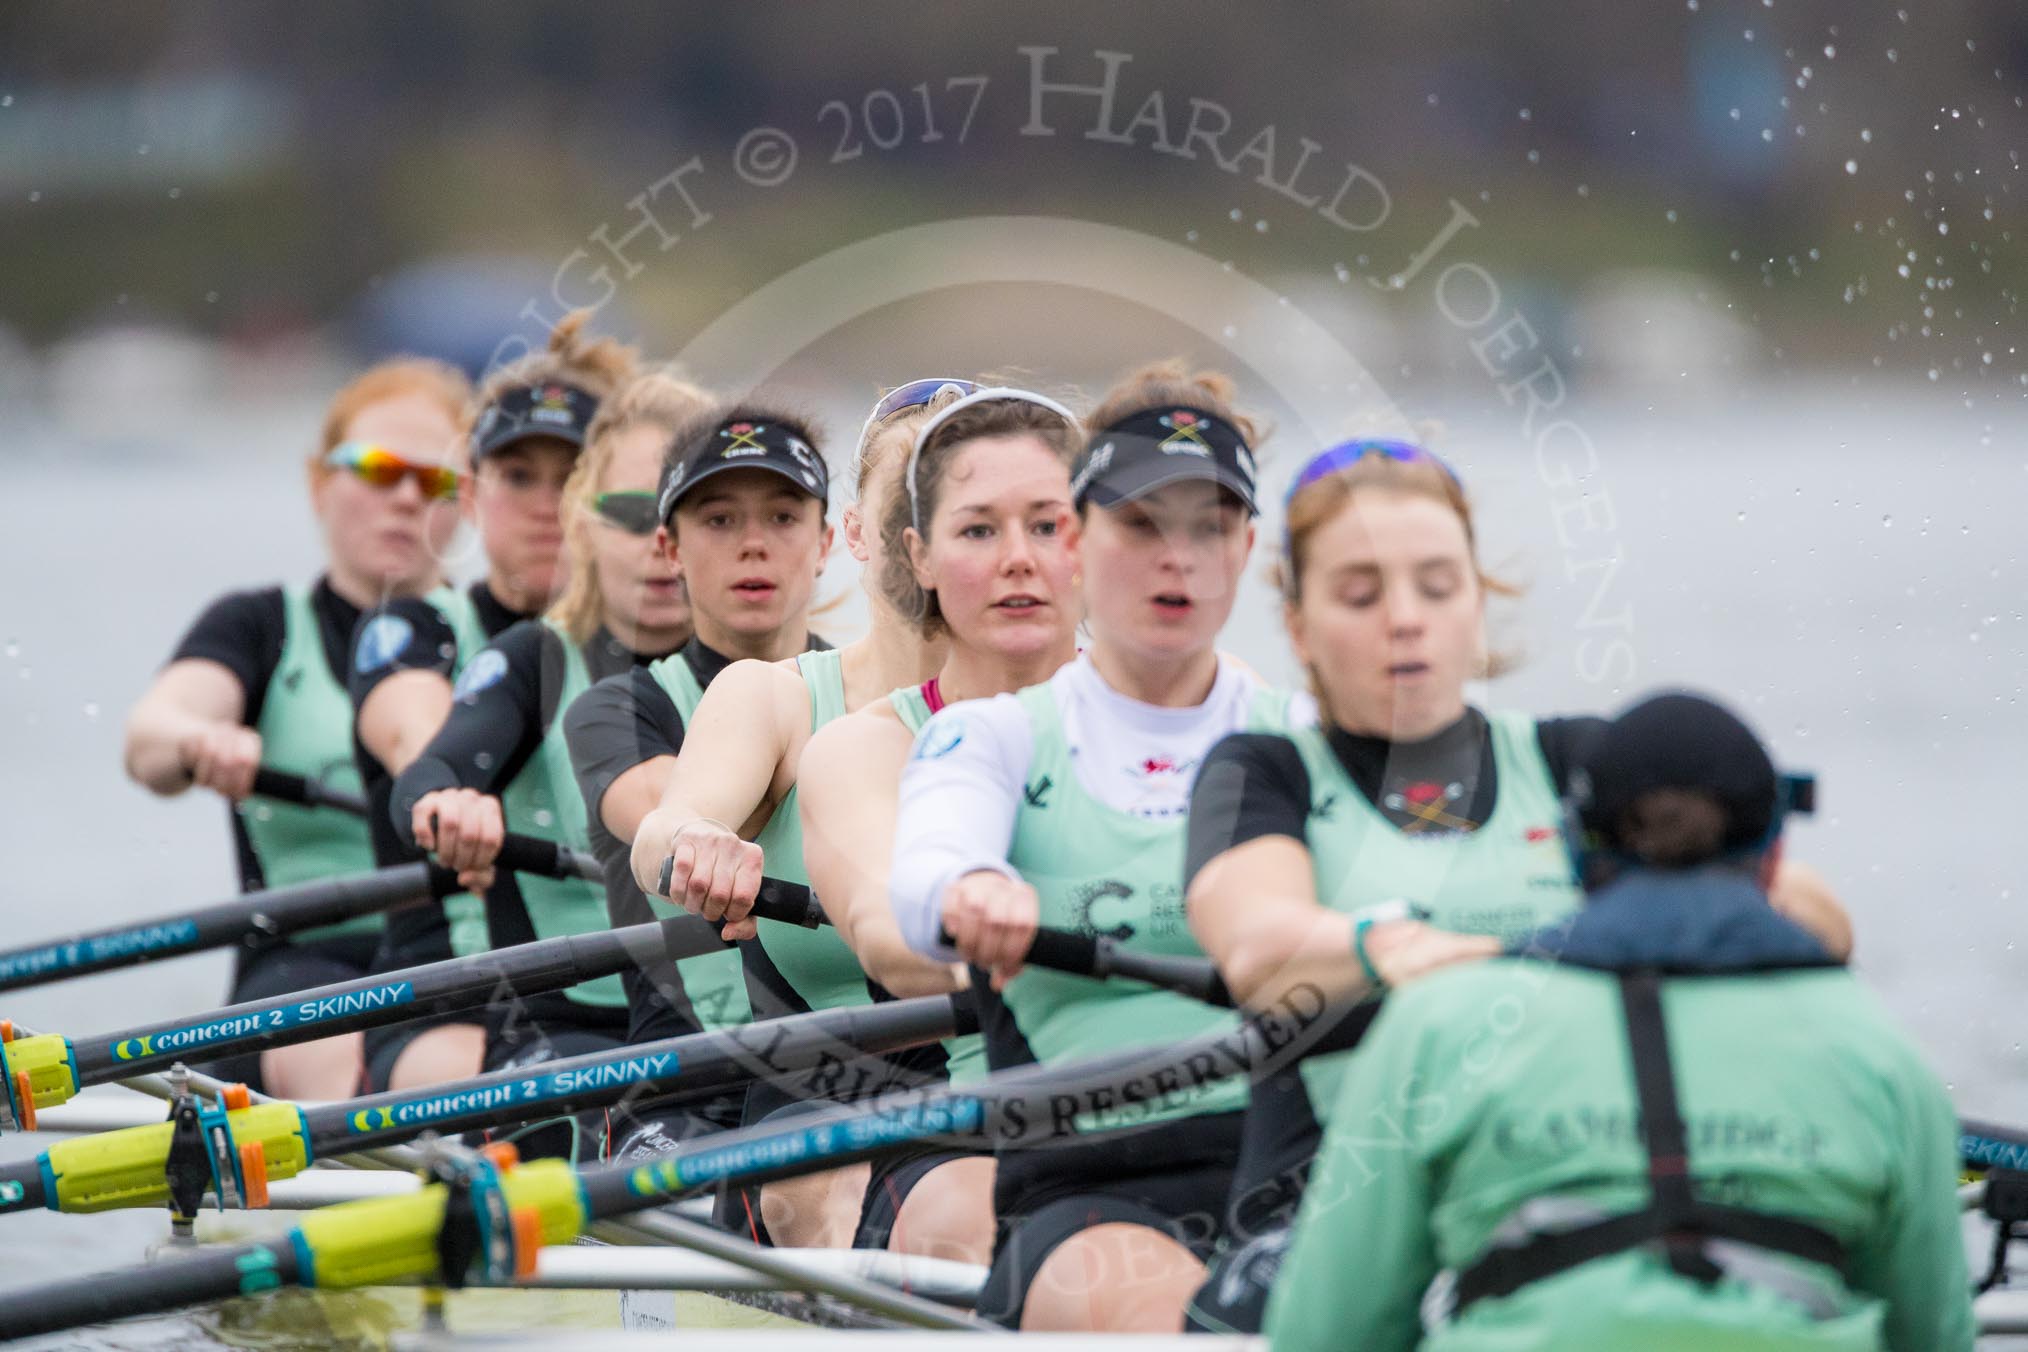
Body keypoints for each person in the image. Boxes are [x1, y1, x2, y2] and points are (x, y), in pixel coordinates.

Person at [1181, 439, 1853, 1334]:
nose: (1406, 619)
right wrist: (1405, 948)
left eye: (1437, 585)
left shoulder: (1573, 761)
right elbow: (1258, 952)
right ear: (1299, 626)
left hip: (1551, 1185)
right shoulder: (1259, 771)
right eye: (1361, 593)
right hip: (1327, 1203)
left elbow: (1817, 921)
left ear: (1479, 606)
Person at [1266, 691, 1974, 1352]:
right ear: (1775, 859)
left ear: (1575, 850)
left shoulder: (1440, 1026)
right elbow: (1933, 1334)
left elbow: (1327, 1330)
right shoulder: (1881, 1053)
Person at [884, 364, 1289, 1332]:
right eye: (1142, 524)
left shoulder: (1303, 739)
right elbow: (922, 875)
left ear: (1247, 547)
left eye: (1208, 526)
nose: (1176, 558)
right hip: (1088, 1195)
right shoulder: (990, 737)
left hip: (1306, 1178)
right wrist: (969, 889)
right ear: (1078, 540)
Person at [615, 380, 993, 1257]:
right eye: (907, 493)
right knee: (849, 1197)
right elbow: (664, 832)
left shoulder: (1068, 704)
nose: (928, 518)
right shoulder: (773, 697)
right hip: (821, 1105)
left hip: (1024, 1080)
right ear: (858, 534)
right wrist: (695, 844)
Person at [123, 356, 470, 1098]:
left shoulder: (508, 645)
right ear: (320, 485)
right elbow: (150, 737)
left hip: (468, 964)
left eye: (437, 481)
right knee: (353, 1053)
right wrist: (197, 740)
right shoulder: (258, 626)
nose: (407, 498)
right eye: (378, 469)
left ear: (470, 506)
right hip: (307, 966)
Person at [382, 372, 720, 1125]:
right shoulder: (535, 658)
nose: (661, 547)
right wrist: (445, 804)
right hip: (551, 1027)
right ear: (583, 525)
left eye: (697, 515)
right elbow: (430, 766)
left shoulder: (784, 676)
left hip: (729, 1030)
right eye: (634, 517)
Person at [348, 312, 635, 1092]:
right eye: (519, 476)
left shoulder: (662, 644)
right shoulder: (414, 626)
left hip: (635, 1001)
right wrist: (447, 790)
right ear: (472, 495)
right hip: (453, 994)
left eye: (571, 476)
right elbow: (415, 731)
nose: (547, 505)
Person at [558, 398, 835, 1151]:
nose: (753, 545)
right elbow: (681, 820)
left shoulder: (877, 699)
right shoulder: (615, 709)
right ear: (669, 548)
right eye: (718, 521)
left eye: (783, 518)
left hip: (845, 1072)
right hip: (687, 1089)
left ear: (827, 543)